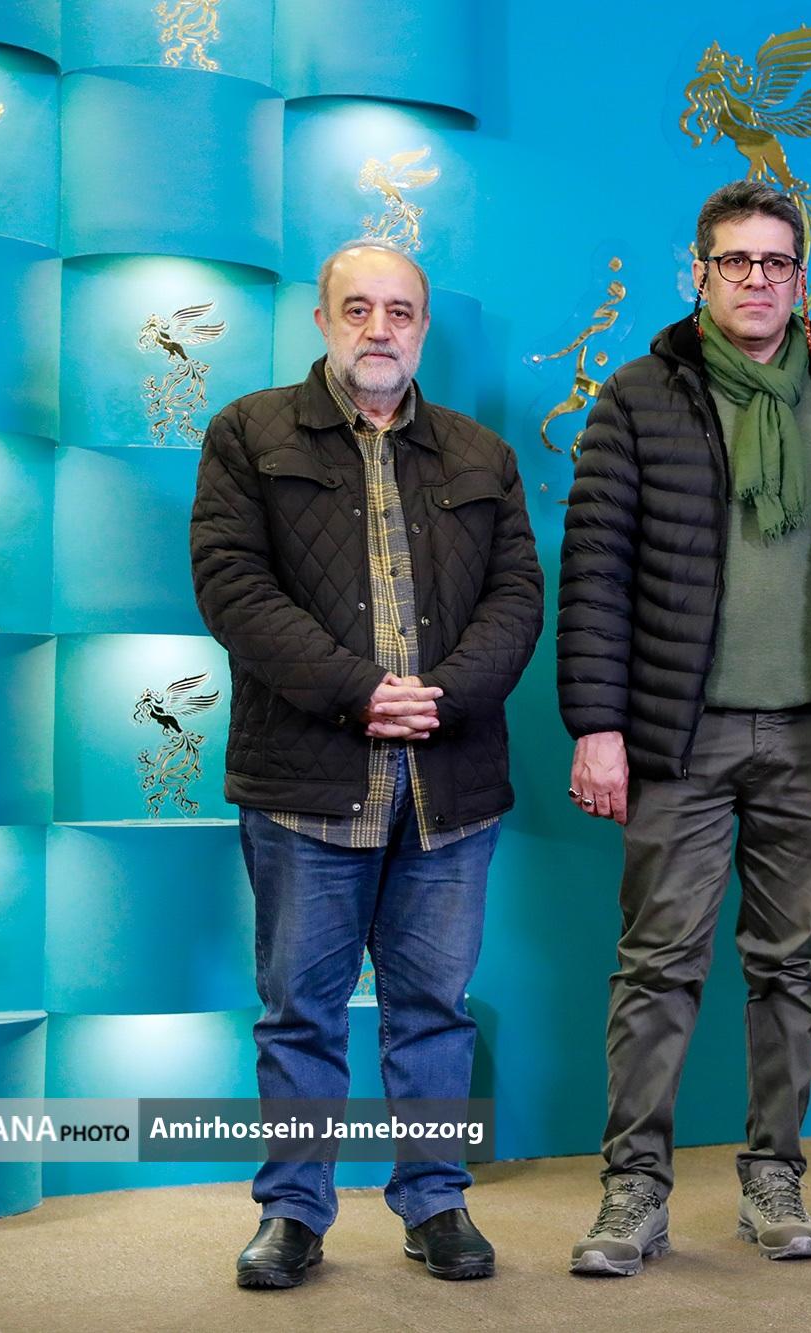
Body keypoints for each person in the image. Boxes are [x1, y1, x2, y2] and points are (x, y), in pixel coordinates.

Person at [558, 180, 811, 1276]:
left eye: (776, 263)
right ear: (697, 274)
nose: (757, 279)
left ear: (801, 279)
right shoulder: (636, 398)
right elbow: (594, 573)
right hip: (680, 733)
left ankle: (774, 1174)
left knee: (792, 969)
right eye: (735, 261)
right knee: (657, 967)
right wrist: (597, 725)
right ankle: (633, 1189)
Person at [191, 239, 543, 1288]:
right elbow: (231, 585)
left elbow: (518, 595)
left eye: (398, 311)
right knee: (299, 1013)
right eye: (357, 308)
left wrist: (446, 694)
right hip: (308, 781)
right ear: (322, 320)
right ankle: (292, 1212)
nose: (378, 328)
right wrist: (360, 689)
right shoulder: (248, 433)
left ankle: (435, 1200)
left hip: (449, 785)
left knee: (434, 1009)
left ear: (423, 327)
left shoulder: (481, 452)